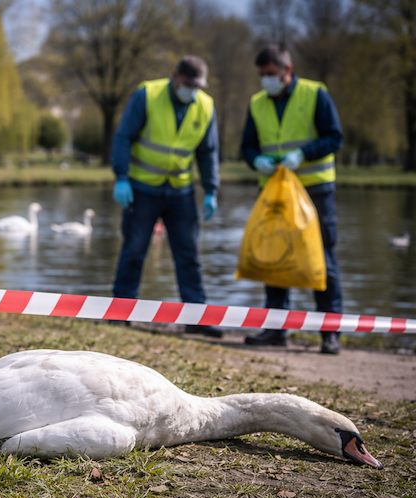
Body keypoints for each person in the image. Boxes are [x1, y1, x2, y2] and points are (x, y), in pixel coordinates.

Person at [241, 44, 343, 354]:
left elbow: (334, 137)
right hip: (274, 191)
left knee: (322, 258)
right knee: (274, 257)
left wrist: (303, 154)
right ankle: (275, 329)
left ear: (287, 69)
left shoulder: (315, 94)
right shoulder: (257, 103)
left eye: (270, 74)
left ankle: (330, 332)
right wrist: (256, 160)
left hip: (314, 189)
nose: (265, 80)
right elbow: (247, 146)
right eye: (261, 75)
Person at [111, 55, 222, 338]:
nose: (192, 90)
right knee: (134, 250)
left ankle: (196, 317)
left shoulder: (205, 106)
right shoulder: (147, 95)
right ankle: (121, 313)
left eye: (197, 85)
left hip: (181, 192)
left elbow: (208, 151)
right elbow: (124, 136)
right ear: (176, 76)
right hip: (142, 188)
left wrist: (210, 189)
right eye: (188, 83)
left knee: (189, 254)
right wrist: (121, 177)